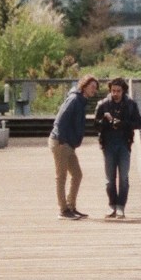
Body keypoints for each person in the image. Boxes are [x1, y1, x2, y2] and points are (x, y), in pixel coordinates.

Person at [48, 75, 97, 220]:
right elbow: (60, 120)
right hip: (60, 142)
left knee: (77, 174)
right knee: (61, 177)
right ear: (84, 86)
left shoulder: (81, 101)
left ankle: (71, 206)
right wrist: (62, 140)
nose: (94, 90)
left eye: (96, 87)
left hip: (69, 144)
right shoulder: (74, 100)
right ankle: (63, 211)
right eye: (92, 87)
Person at [95, 77, 141, 219]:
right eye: (113, 91)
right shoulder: (103, 104)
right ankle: (112, 205)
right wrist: (105, 120)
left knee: (124, 178)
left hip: (124, 144)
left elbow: (139, 123)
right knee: (109, 179)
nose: (115, 93)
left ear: (123, 91)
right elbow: (95, 125)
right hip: (108, 144)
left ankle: (121, 206)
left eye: (118, 91)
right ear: (110, 90)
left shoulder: (130, 104)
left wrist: (123, 123)